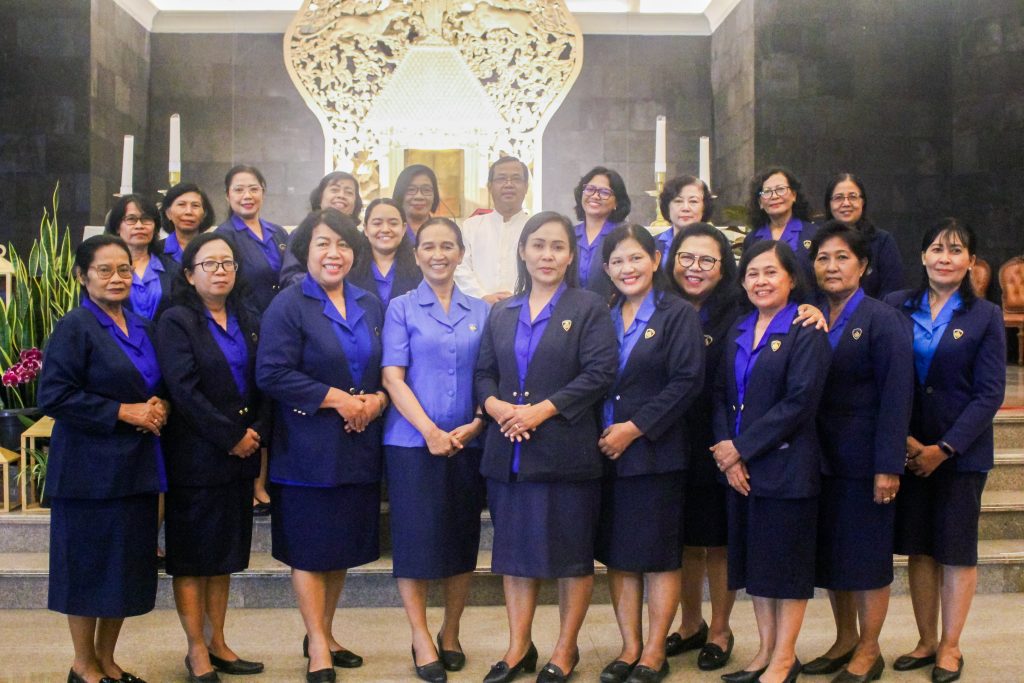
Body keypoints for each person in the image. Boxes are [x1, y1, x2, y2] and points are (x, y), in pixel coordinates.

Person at [475, 211, 618, 683]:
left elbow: (599, 373)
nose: (547, 255)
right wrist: (496, 407)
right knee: (515, 558)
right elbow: (484, 373)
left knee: (571, 558)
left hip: (565, 453)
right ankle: (519, 647)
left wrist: (542, 410)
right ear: (523, 251)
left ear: (571, 255)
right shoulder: (502, 311)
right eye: (538, 245)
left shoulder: (589, 306)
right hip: (509, 454)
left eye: (557, 246)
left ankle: (565, 648)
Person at [256, 208, 387, 683]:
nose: (334, 253)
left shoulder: (369, 303)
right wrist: (338, 400)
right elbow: (271, 373)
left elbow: (385, 368)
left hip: (357, 446)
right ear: (306, 250)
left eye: (343, 244)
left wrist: (376, 400)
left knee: (340, 549)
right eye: (323, 244)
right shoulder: (288, 304)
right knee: (310, 550)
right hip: (306, 449)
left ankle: (325, 632)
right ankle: (316, 645)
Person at [38, 234, 170, 683]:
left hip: (137, 467)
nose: (117, 278)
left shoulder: (142, 325)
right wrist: (121, 412)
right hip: (88, 473)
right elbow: (54, 395)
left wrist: (160, 405)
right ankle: (82, 664)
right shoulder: (74, 326)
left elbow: (157, 385)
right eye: (105, 270)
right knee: (89, 569)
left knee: (124, 571)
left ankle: (107, 660)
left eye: (124, 269)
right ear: (82, 275)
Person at [883, 218, 1006, 683]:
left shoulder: (985, 316)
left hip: (961, 454)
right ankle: (926, 640)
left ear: (971, 262)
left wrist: (945, 447)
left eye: (956, 251)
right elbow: (882, 376)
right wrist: (904, 439)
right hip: (909, 449)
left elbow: (990, 393)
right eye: (937, 248)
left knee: (955, 550)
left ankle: (951, 646)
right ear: (922, 255)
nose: (945, 258)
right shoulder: (895, 306)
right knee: (919, 549)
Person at [712, 240, 832, 683]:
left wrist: (741, 448)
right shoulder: (739, 328)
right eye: (752, 273)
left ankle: (785, 656)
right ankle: (764, 650)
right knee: (757, 566)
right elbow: (721, 394)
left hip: (787, 467)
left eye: (770, 272)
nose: (760, 281)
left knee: (786, 567)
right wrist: (726, 451)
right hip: (741, 472)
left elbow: (800, 402)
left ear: (792, 278)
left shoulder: (805, 328)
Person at [156, 232, 270, 682]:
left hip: (241, 456)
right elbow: (184, 391)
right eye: (209, 264)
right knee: (192, 557)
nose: (220, 271)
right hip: (196, 457)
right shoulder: (176, 321)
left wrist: (256, 431)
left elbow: (264, 380)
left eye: (227, 263)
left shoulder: (248, 317)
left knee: (223, 556)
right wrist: (231, 437)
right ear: (189, 274)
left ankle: (218, 641)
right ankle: (196, 649)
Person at [803, 222, 913, 683]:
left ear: (863, 265)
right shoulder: (809, 316)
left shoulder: (882, 318)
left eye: (842, 257)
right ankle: (844, 638)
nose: (832, 266)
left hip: (866, 460)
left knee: (867, 557)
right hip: (819, 458)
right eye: (823, 257)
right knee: (834, 555)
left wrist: (888, 465)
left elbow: (896, 396)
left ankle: (870, 648)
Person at [381, 217, 490, 683]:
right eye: (429, 246)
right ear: (417, 254)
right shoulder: (401, 308)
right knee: (415, 541)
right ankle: (420, 635)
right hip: (411, 443)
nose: (438, 254)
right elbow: (392, 378)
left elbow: (490, 376)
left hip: (468, 441)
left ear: (461, 253)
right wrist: (428, 431)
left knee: (461, 539)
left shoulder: (482, 311)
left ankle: (451, 631)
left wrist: (479, 421)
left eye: (448, 246)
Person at [595, 225, 704, 683]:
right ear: (606, 268)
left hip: (657, 454)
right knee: (619, 555)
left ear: (656, 260)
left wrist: (634, 429)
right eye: (618, 261)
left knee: (659, 555)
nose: (628, 268)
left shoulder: (677, 314)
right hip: (605, 454)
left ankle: (655, 650)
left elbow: (687, 381)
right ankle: (630, 646)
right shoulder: (602, 314)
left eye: (636, 258)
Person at [663, 223, 741, 672]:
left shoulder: (739, 309)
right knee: (685, 540)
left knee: (718, 542)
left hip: (722, 439)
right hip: (668, 437)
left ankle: (721, 629)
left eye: (707, 260)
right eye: (686, 258)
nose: (695, 268)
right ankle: (690, 623)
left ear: (723, 267)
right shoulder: (659, 305)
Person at [455, 156, 531, 303]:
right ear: (489, 186)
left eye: (516, 179)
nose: (509, 185)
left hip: (525, 306)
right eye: (501, 179)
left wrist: (518, 297)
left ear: (526, 187)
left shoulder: (537, 228)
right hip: (477, 306)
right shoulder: (470, 226)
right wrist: (482, 297)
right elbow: (460, 266)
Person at [215, 164, 287, 317]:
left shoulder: (278, 233)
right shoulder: (223, 237)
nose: (247, 196)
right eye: (239, 190)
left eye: (254, 189)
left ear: (263, 193)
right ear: (227, 196)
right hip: (248, 321)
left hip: (285, 318)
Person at [822, 173, 904, 299]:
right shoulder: (819, 241)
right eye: (838, 198)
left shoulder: (882, 241)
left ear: (862, 202)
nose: (846, 203)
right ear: (829, 204)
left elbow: (892, 290)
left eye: (852, 197)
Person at [280, 172, 365, 287]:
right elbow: (290, 277)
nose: (341, 195)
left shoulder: (362, 238)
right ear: (320, 198)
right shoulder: (303, 233)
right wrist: (328, 286)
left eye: (349, 192)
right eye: (334, 190)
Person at [105, 194, 180, 321]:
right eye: (131, 219)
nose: (139, 226)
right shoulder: (104, 269)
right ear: (117, 227)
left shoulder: (172, 269)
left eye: (146, 219)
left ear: (155, 227)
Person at [742, 167, 817, 288]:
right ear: (760, 202)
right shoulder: (751, 240)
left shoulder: (813, 234)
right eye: (767, 192)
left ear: (794, 195)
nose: (774, 196)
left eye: (781, 189)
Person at [347, 198, 423, 310]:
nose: (385, 229)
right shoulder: (349, 267)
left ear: (403, 229)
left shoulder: (420, 267)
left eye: (393, 223)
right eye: (377, 223)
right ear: (366, 229)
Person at [572, 167, 631, 297]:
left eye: (604, 192)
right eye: (590, 189)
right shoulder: (569, 234)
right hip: (571, 308)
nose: (595, 196)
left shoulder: (625, 235)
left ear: (616, 202)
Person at [655, 175, 714, 268]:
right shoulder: (652, 244)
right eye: (678, 201)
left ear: (704, 207)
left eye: (693, 201)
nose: (685, 208)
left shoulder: (717, 244)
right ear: (667, 207)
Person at [159, 182, 216, 264]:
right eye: (181, 204)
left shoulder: (215, 249)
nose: (188, 212)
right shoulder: (155, 252)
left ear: (204, 214)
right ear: (168, 213)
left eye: (195, 205)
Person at [393, 164, 440, 239]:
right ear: (400, 194)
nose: (419, 196)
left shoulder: (444, 232)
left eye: (426, 190)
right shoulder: (389, 232)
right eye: (411, 189)